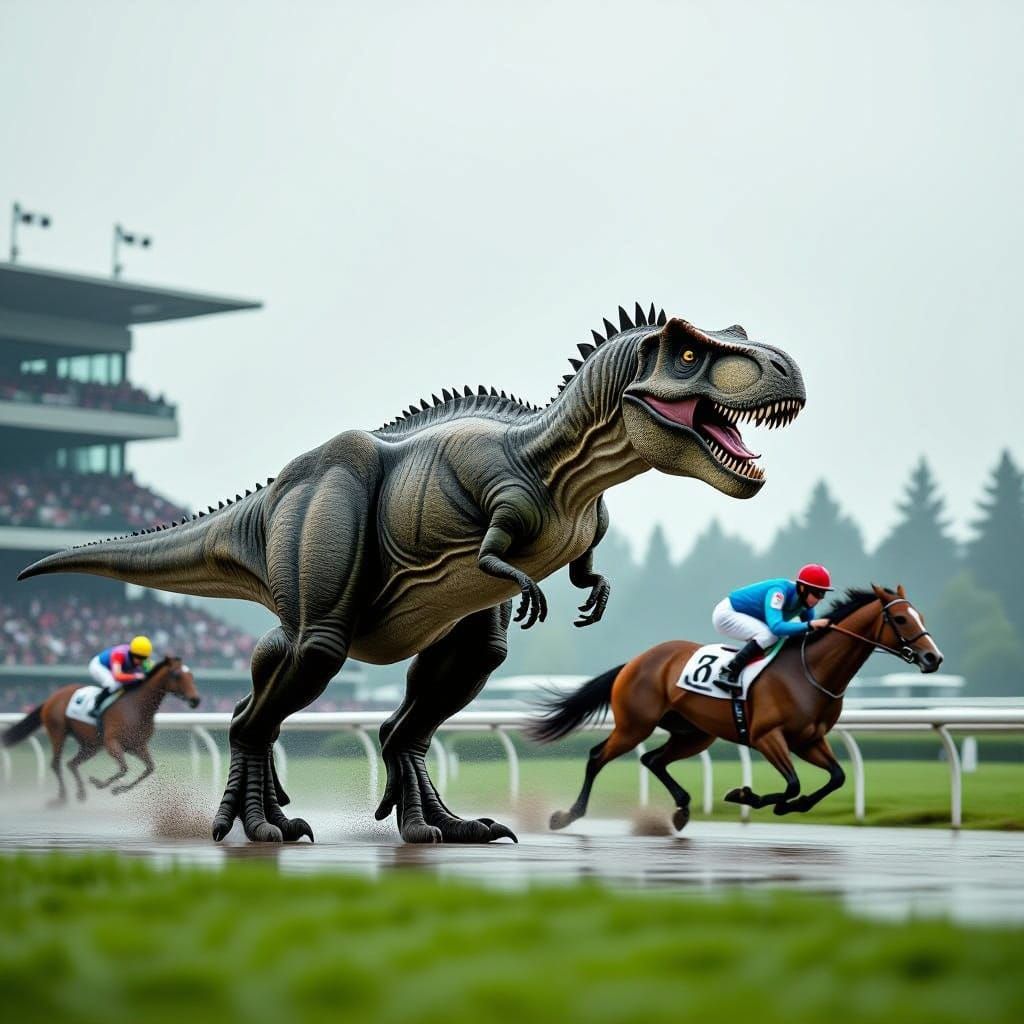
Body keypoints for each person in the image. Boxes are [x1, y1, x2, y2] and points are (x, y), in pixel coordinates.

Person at [711, 564, 833, 692]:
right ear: (802, 588)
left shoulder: (806, 603)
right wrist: (810, 625)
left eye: (822, 594)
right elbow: (776, 627)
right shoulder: (778, 591)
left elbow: (808, 633)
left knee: (783, 637)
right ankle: (728, 671)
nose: (819, 599)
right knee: (769, 636)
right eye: (816, 593)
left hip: (748, 617)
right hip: (727, 614)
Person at [88, 635, 153, 718]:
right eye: (139, 657)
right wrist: (136, 676)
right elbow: (118, 676)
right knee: (113, 684)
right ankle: (96, 707)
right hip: (99, 666)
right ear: (131, 653)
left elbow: (152, 672)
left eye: (144, 658)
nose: (141, 661)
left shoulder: (144, 659)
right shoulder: (119, 653)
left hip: (115, 669)